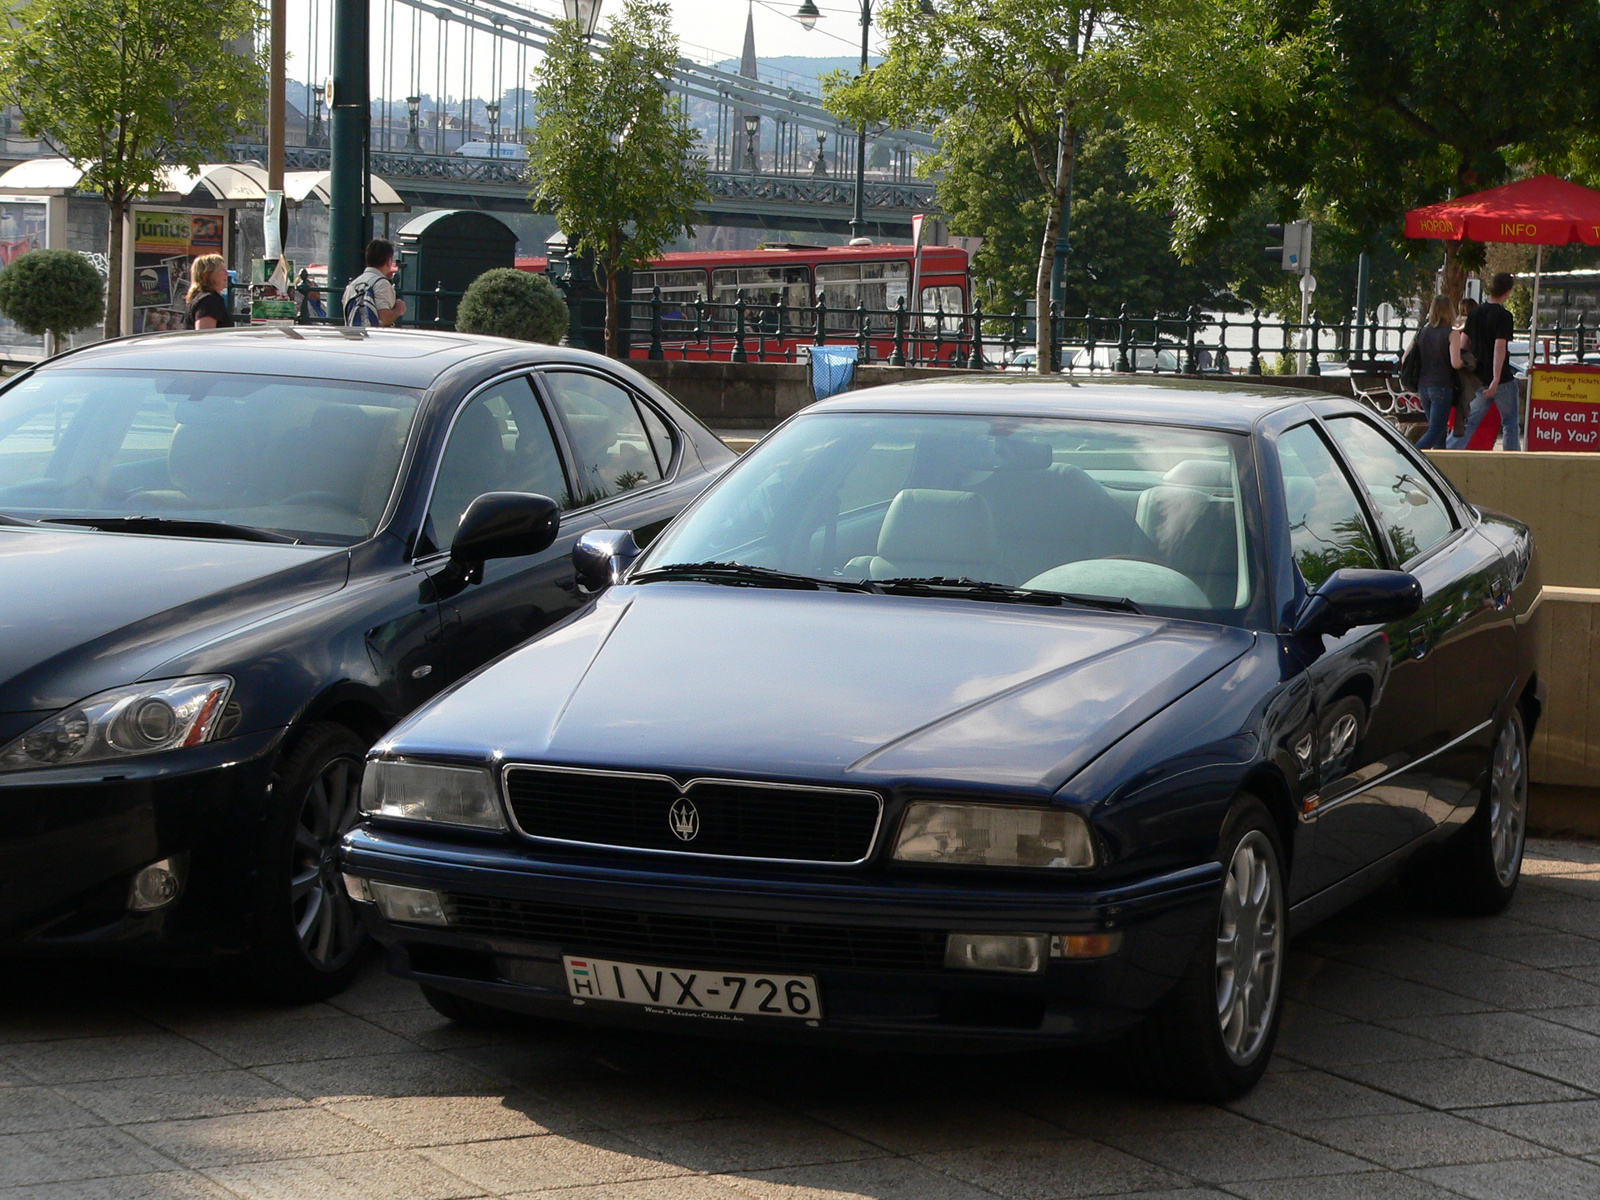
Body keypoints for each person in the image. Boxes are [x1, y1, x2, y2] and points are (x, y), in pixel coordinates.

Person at [1449, 273, 1520, 450]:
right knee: (1510, 422)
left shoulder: (1476, 313)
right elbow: (1499, 347)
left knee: (1470, 420)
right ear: (1508, 292)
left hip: (1478, 376)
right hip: (1501, 378)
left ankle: (1448, 451)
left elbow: (1464, 343)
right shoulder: (1504, 316)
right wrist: (1496, 378)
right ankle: (1512, 462)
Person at [1414, 294, 1463, 449]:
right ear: (1450, 311)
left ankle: (1439, 465)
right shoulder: (1452, 333)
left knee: (1439, 433)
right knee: (1436, 430)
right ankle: (1410, 455)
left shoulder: (1422, 332)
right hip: (1442, 385)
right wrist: (1466, 363)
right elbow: (1455, 363)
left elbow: (1406, 357)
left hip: (1423, 387)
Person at [341, 239, 407, 328]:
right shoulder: (382, 284)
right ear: (388, 261)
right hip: (375, 339)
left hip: (354, 336)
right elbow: (384, 319)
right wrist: (399, 310)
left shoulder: (352, 285)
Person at [182, 254, 234, 330]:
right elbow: (204, 335)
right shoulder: (209, 301)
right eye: (222, 269)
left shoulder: (203, 298)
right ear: (207, 275)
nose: (227, 273)